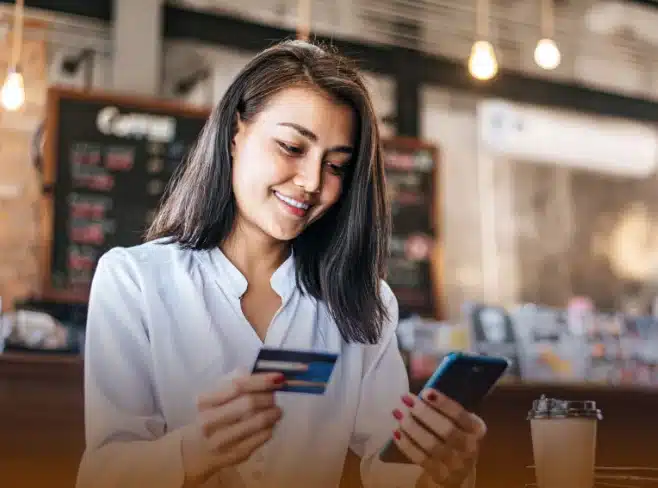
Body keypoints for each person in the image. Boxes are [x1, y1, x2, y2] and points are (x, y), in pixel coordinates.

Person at [76, 40, 487, 488]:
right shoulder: (135, 281)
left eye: (336, 166)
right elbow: (101, 474)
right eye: (292, 147)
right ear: (236, 133)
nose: (312, 183)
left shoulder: (362, 304)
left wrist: (444, 469)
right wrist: (195, 451)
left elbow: (392, 472)